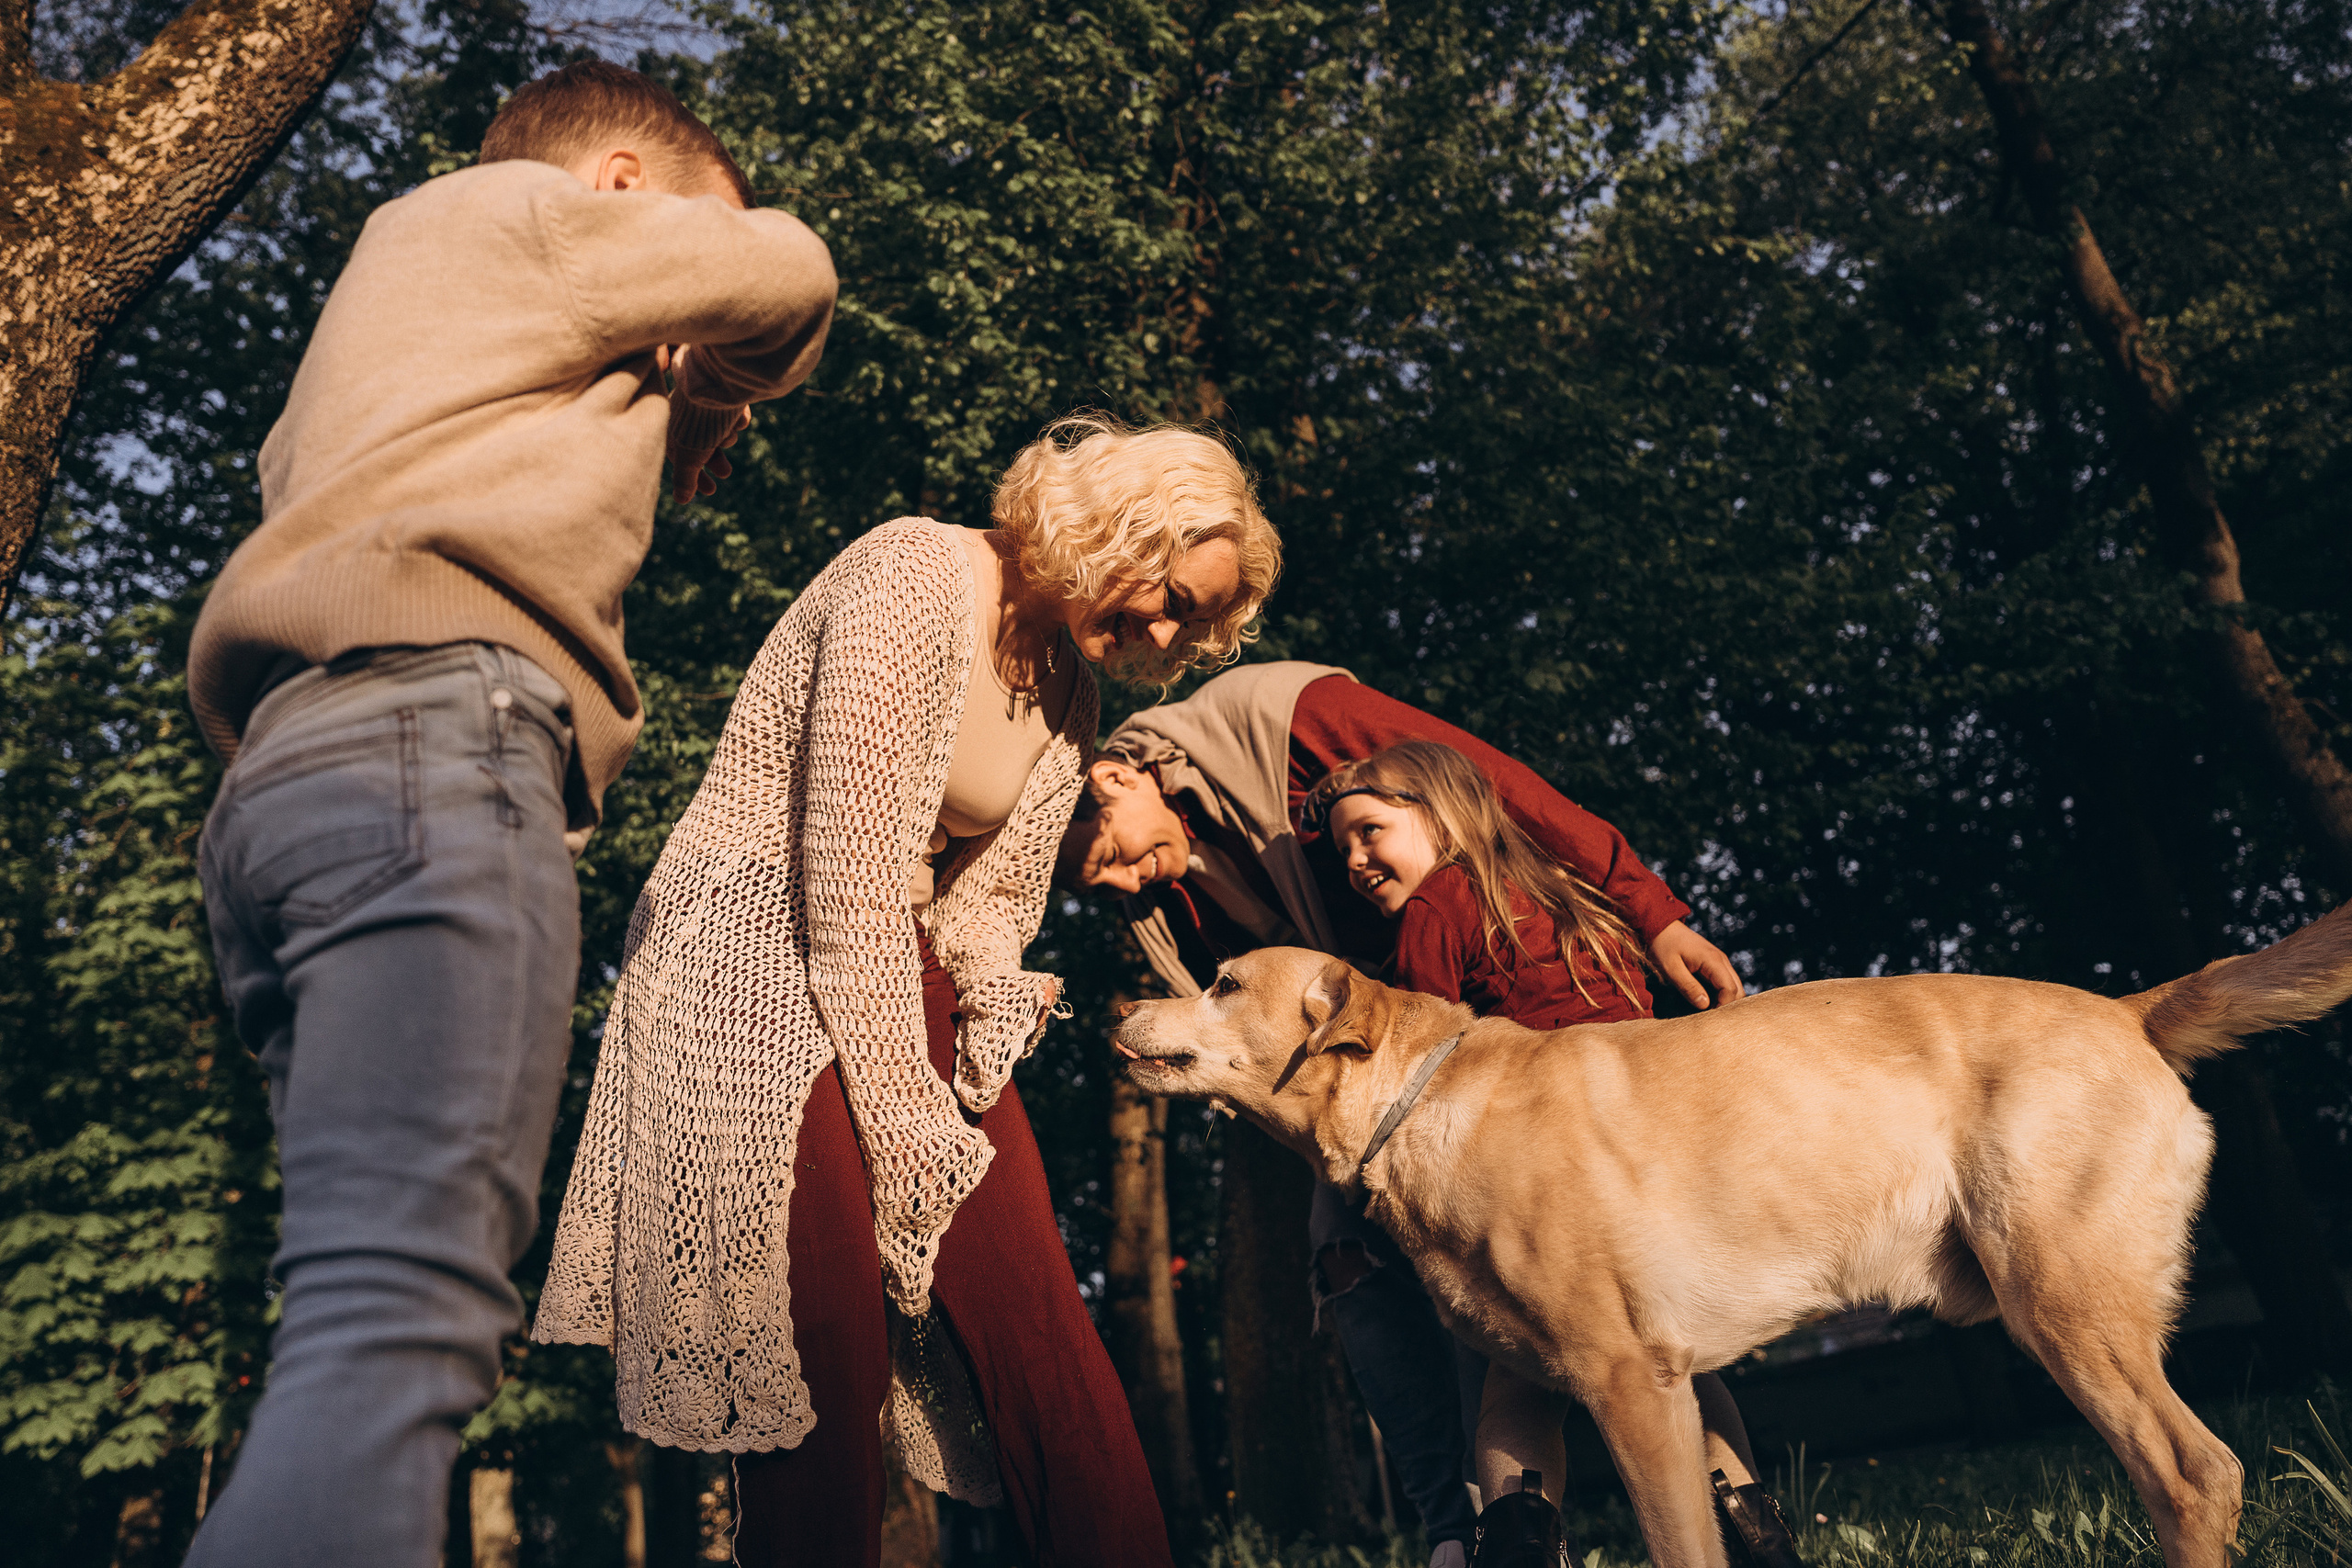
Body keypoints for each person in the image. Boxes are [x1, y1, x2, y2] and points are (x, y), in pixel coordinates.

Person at [182, 62, 836, 1567]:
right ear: (620, 190)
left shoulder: (379, 335)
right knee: (401, 1323)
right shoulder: (540, 218)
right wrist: (710, 360)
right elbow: (789, 272)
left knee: (349, 1313)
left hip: (284, 786)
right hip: (437, 752)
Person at [535, 415, 1283, 1568]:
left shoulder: (1072, 699)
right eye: (1172, 589)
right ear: (1120, 526)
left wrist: (990, 1019)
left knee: (1035, 1308)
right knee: (824, 1341)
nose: (1168, 627)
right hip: (747, 967)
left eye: (1195, 617)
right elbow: (844, 888)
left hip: (899, 968)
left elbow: (984, 907)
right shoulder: (912, 572)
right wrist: (908, 1128)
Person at [1058, 662, 1774, 1568]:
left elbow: (1499, 790)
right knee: (1372, 1256)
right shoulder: (1182, 898)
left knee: (1521, 1304)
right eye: (1099, 889)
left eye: (1110, 855)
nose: (1124, 888)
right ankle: (1480, 1525)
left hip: (1463, 1092)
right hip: (1415, 1091)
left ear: (1114, 777)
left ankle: (1496, 1532)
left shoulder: (1299, 727)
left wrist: (1656, 910)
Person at [1314, 739, 1806, 1568]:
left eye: (1368, 831)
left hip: (1540, 1169)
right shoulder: (1573, 895)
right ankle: (1759, 1540)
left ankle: (1518, 1546)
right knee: (1665, 1352)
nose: (1358, 860)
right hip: (1651, 1150)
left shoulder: (1437, 907)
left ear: (1437, 814)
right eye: (1344, 850)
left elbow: (1420, 1051)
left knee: (1517, 1374)